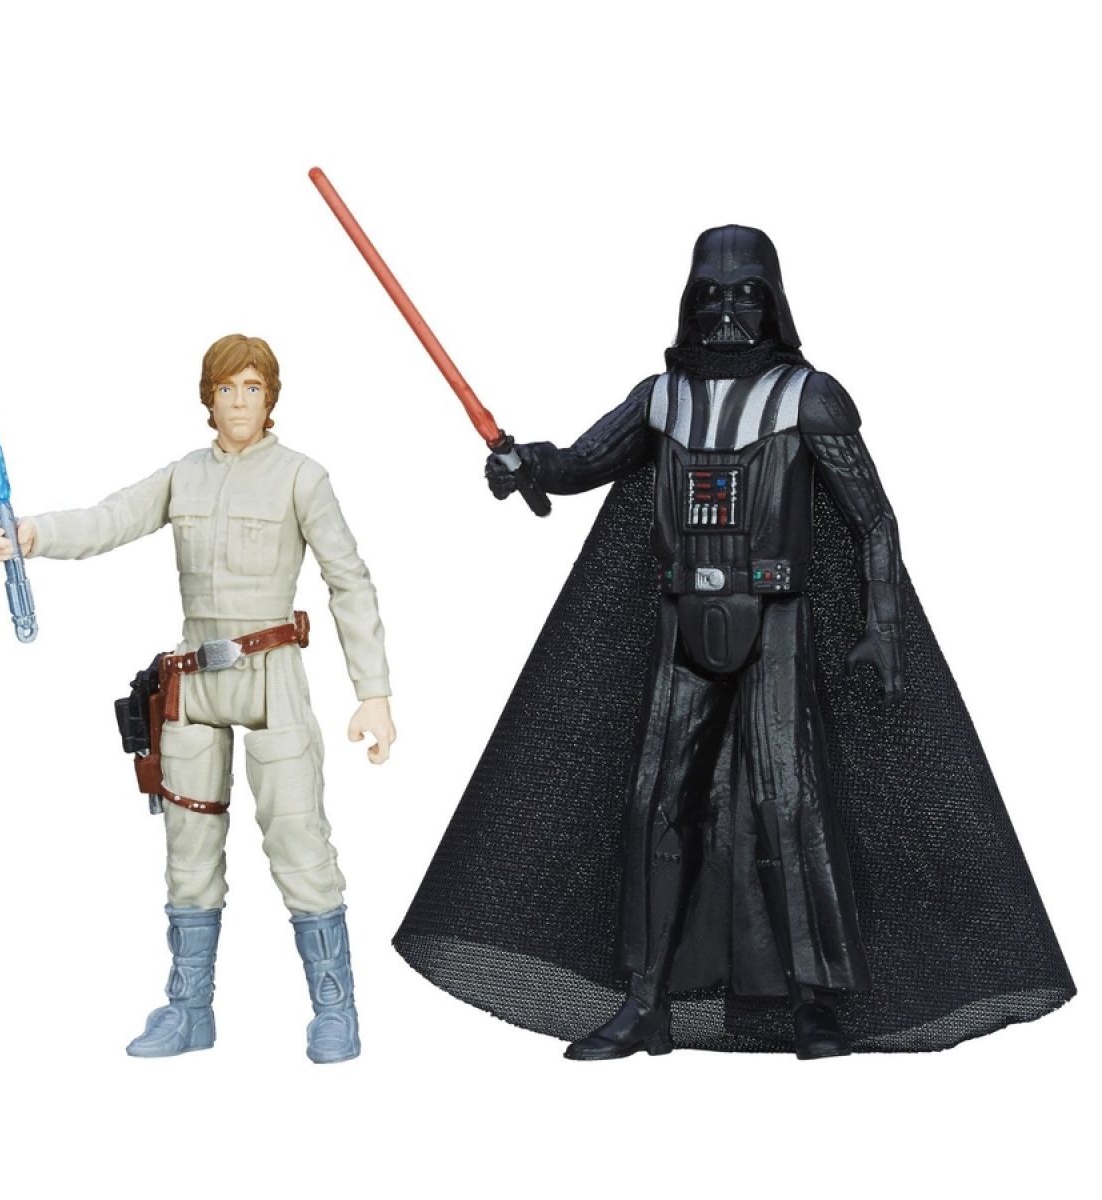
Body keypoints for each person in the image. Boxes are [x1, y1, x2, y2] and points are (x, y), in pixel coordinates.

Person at [394, 226, 1073, 1058]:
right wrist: (524, 463)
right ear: (689, 302)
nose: (726, 311)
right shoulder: (661, 399)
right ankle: (646, 1002)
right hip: (683, 617)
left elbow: (873, 519)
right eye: (710, 294)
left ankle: (816, 1004)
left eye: (745, 293)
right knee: (654, 805)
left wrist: (884, 626)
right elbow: (579, 463)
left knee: (793, 803)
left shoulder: (807, 397)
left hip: (776, 618)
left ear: (773, 301)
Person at [0, 333, 394, 1063]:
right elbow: (111, 518)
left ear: (271, 398)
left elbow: (349, 581)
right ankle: (188, 1008)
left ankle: (336, 1010)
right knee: (188, 852)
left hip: (270, 679)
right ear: (208, 398)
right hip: (194, 683)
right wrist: (35, 534)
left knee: (298, 841)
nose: (239, 402)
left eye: (252, 388)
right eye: (226, 388)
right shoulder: (183, 477)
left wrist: (374, 692)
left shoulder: (302, 478)